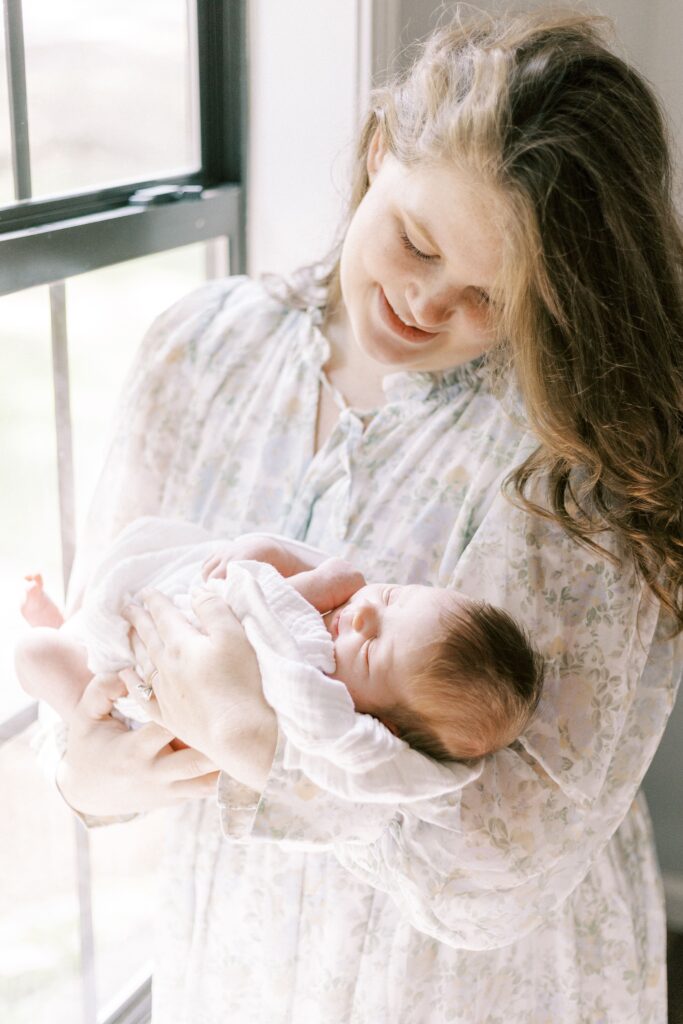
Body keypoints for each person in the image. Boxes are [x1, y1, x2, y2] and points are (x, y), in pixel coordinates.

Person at [40, 8, 682, 1023]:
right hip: (241, 963)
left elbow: (499, 874)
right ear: (377, 150)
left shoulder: (577, 456)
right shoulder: (196, 354)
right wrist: (93, 770)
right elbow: (97, 656)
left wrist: (264, 744)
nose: (427, 303)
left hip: (465, 991)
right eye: (415, 240)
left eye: (488, 293)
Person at [17, 520, 543, 769]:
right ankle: (71, 635)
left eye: (370, 648)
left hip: (145, 699)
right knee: (88, 624)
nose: (361, 613)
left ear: (382, 723)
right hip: (162, 609)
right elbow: (277, 563)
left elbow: (265, 613)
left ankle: (77, 705)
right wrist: (259, 549)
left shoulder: (319, 698)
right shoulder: (342, 589)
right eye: (391, 596)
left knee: (35, 658)